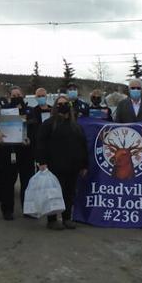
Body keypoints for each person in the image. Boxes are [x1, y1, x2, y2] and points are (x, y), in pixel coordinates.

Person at [34, 94, 88, 230]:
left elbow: (82, 146)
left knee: (69, 193)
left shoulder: (76, 126)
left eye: (65, 104)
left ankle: (66, 218)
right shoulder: (48, 124)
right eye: (60, 104)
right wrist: (42, 162)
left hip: (72, 166)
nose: (63, 106)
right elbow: (40, 144)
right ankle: (52, 220)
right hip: (54, 166)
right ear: (55, 107)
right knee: (54, 194)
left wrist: (84, 165)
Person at [0, 86, 34, 220]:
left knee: (27, 182)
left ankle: (28, 209)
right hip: (9, 151)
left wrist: (30, 139)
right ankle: (7, 210)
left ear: (23, 95)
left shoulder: (30, 111)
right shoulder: (4, 111)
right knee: (7, 182)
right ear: (9, 97)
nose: (16, 97)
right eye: (13, 96)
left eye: (18, 95)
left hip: (26, 151)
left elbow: (35, 129)